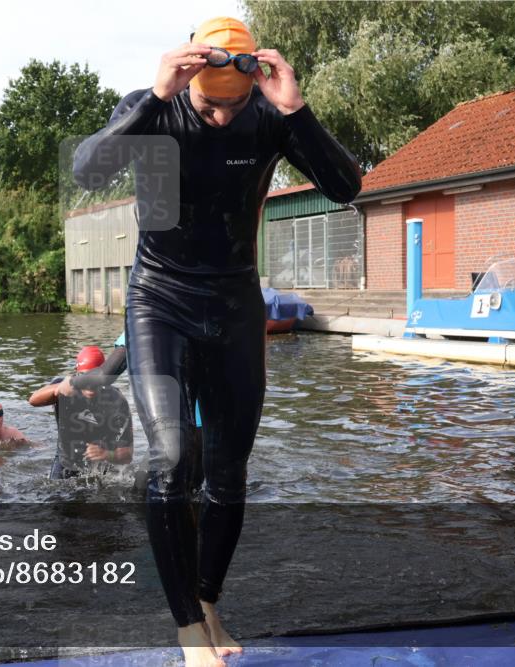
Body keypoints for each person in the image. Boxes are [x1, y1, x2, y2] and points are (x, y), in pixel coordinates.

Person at [72, 17, 361, 666]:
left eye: (235, 104)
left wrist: (297, 109)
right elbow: (89, 172)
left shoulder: (267, 116)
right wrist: (153, 97)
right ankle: (185, 630)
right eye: (210, 104)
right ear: (188, 80)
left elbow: (347, 187)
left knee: (228, 473)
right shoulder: (154, 108)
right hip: (159, 301)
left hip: (234, 304)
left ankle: (206, 599)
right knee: (172, 458)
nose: (224, 118)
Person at [29, 346, 133, 480]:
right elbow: (33, 400)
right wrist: (60, 389)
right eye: (85, 376)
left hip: (99, 465)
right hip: (65, 461)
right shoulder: (66, 387)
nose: (89, 383)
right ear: (77, 375)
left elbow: (127, 455)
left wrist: (107, 454)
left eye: (95, 377)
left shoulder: (116, 400)